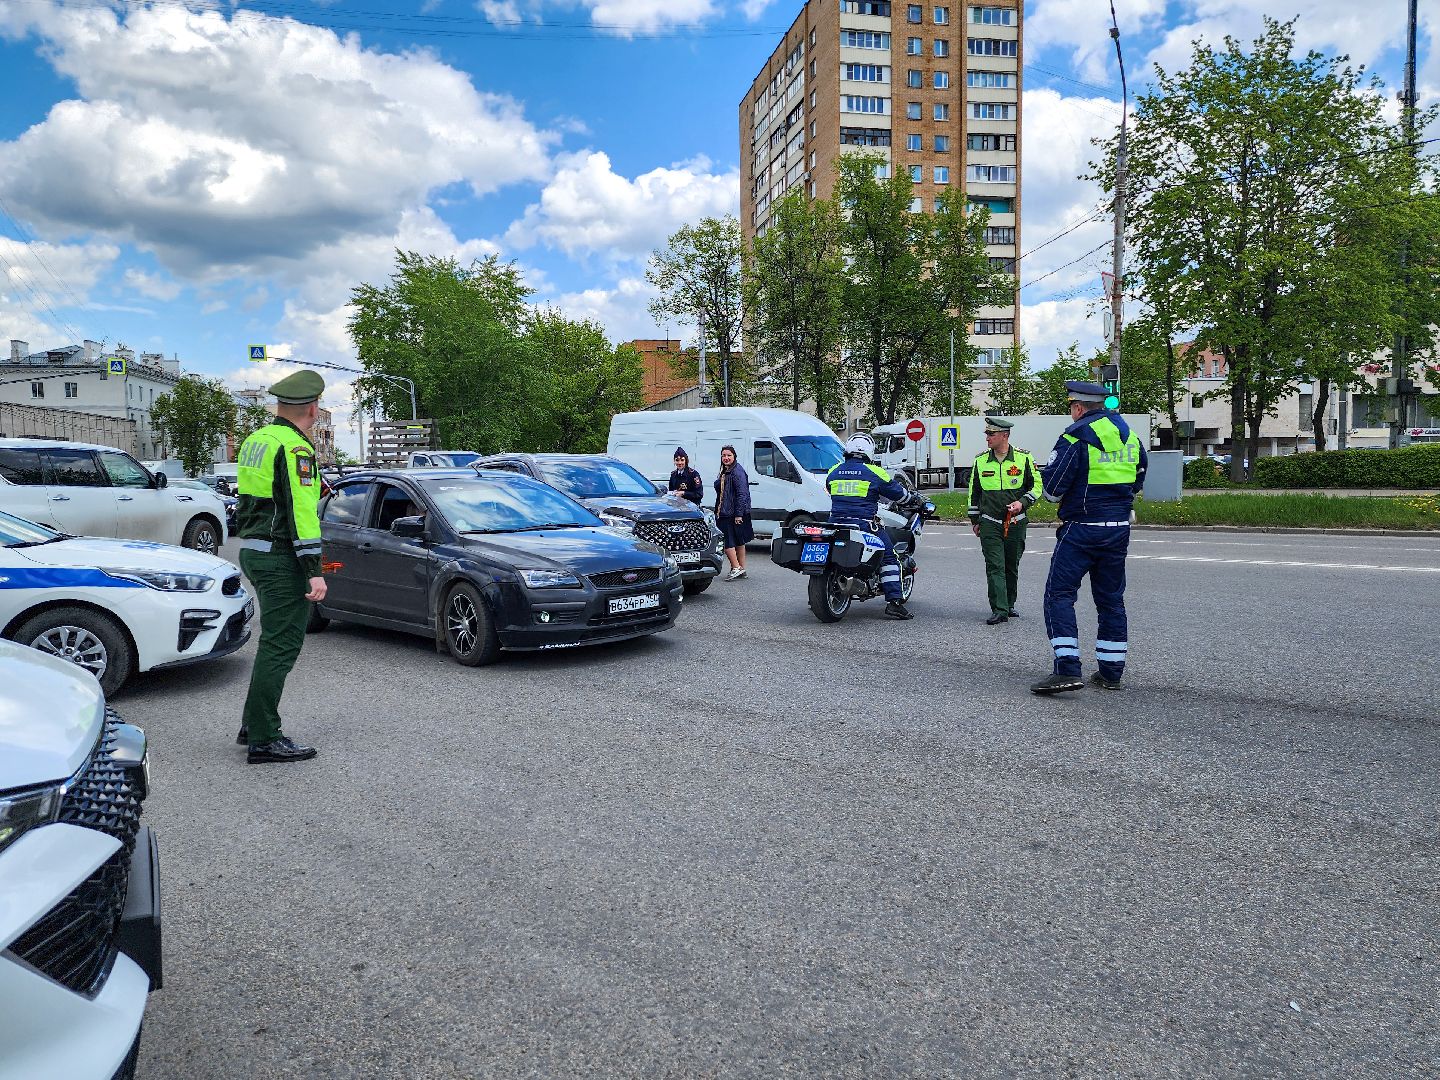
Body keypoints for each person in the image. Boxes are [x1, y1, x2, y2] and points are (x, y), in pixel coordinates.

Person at [233, 370, 327, 763]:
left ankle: (253, 724)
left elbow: (262, 499)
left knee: (272, 641)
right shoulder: (294, 448)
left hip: (254, 549)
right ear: (313, 407)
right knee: (280, 644)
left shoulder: (257, 440)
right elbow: (301, 514)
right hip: (280, 555)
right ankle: (265, 739)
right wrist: (314, 569)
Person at [1031, 381, 1148, 695]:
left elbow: (1053, 491)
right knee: (1111, 601)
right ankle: (1111, 673)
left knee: (1059, 595)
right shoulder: (1131, 437)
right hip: (1118, 528)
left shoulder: (1075, 437)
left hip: (1081, 528)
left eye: (1071, 407)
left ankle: (1067, 669)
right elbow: (1138, 479)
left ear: (1078, 407)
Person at [825, 432, 913, 620]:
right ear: (870, 452)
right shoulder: (874, 472)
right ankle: (894, 602)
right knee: (889, 557)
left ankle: (822, 593)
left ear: (847, 450)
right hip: (863, 524)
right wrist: (913, 499)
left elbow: (828, 488)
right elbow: (898, 494)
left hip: (835, 523)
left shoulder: (834, 470)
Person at [967, 416, 1042, 625]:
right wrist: (975, 519)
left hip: (1016, 521)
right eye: (987, 434)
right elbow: (974, 493)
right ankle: (999, 609)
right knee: (994, 565)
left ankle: (1009, 604)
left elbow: (1036, 487)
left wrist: (1022, 503)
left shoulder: (1024, 458)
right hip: (989, 521)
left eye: (991, 434)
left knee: (1011, 565)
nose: (987, 438)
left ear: (1005, 436)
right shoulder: (980, 461)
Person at [714, 444, 753, 580]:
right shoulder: (727, 470)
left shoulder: (737, 472)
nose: (726, 458)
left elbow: (742, 494)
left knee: (726, 541)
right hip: (728, 511)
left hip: (730, 513)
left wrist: (738, 514)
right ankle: (741, 569)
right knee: (738, 540)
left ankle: (736, 567)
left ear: (734, 456)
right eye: (724, 455)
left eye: (729, 455)